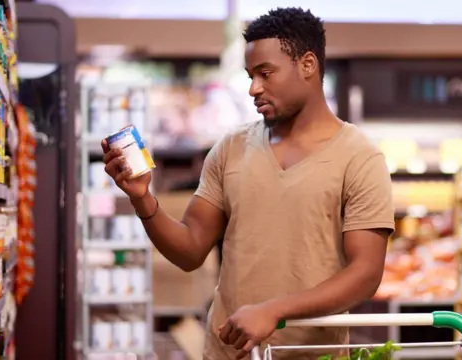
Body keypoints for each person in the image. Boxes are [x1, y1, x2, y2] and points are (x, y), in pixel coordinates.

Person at [101, 7, 394, 360]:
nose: (254, 88)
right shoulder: (230, 149)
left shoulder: (360, 157)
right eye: (250, 75)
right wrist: (142, 199)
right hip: (228, 353)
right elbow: (191, 249)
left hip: (315, 353)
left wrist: (274, 310)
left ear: (308, 65)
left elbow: (365, 275)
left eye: (265, 73)